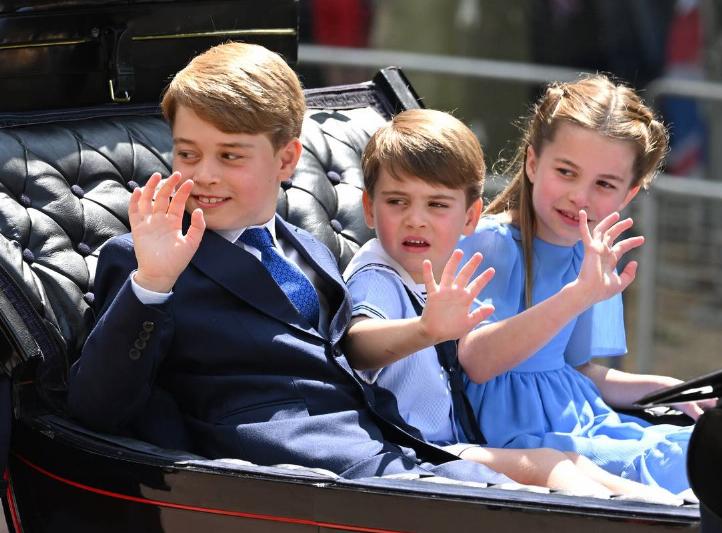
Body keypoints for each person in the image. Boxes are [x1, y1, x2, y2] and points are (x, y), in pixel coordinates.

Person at [66, 42, 510, 484]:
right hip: (287, 471)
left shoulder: (310, 249)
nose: (204, 174)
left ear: (286, 160)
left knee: (549, 493)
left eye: (230, 155)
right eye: (187, 154)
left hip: (388, 446)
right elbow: (96, 407)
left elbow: (344, 360)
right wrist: (153, 283)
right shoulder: (144, 259)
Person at [342, 108, 681, 504]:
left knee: (571, 462)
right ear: (369, 208)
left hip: (457, 439)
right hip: (419, 448)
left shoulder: (434, 271)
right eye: (398, 202)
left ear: (468, 216)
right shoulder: (379, 272)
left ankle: (672, 509)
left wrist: (667, 390)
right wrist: (424, 330)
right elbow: (356, 344)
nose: (416, 220)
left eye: (436, 205)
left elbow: (579, 369)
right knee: (549, 465)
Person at [456, 74, 715, 495]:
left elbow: (581, 372)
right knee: (691, 464)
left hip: (586, 421)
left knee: (703, 445)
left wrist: (666, 389)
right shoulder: (487, 243)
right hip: (526, 441)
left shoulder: (591, 253)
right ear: (533, 163)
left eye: (604, 184)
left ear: (628, 195)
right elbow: (477, 363)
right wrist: (577, 295)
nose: (580, 196)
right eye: (566, 171)